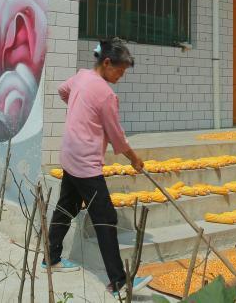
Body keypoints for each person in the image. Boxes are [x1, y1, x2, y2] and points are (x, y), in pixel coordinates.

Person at [43, 38, 153, 297]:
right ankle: (118, 282)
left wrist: (79, 111)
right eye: (120, 70)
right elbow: (117, 136)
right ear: (106, 63)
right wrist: (135, 159)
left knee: (66, 207)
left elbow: (62, 91)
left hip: (69, 155)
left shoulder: (81, 77)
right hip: (86, 164)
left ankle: (52, 258)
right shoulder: (105, 94)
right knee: (105, 218)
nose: (121, 76)